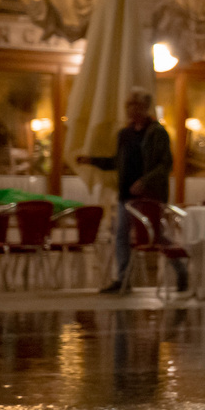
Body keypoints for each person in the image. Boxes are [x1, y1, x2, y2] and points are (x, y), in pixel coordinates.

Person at [81, 88, 185, 294]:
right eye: (127, 105)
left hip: (149, 196)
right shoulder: (125, 134)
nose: (129, 109)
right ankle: (122, 278)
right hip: (126, 196)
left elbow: (165, 165)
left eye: (133, 104)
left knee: (155, 235)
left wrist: (145, 182)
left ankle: (180, 270)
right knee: (121, 235)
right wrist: (92, 161)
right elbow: (116, 162)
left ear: (144, 107)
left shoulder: (156, 133)